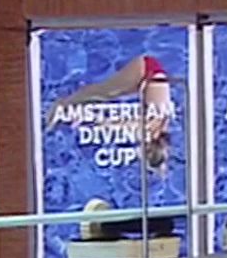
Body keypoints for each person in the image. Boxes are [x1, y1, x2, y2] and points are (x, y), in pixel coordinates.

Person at [46, 53, 174, 172]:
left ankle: (66, 104)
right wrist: (82, 119)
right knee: (100, 93)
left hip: (149, 75)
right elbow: (109, 125)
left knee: (100, 95)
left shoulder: (158, 128)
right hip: (145, 71)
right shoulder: (147, 129)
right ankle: (62, 104)